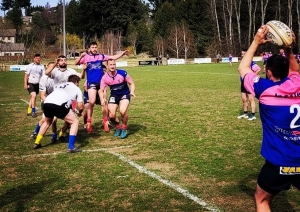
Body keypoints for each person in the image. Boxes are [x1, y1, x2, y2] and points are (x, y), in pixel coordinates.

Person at [239, 25, 300, 212]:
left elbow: (243, 67)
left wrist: (256, 42)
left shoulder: (264, 90)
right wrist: (289, 49)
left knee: (262, 200)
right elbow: (295, 72)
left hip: (279, 161)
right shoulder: (297, 84)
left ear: (269, 73)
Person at [75, 41, 128, 133]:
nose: (94, 49)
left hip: (101, 83)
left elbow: (112, 57)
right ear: (89, 48)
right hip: (91, 83)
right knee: (91, 101)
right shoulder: (86, 57)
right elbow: (76, 63)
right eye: (92, 47)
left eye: (96, 47)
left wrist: (122, 53)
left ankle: (105, 121)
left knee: (104, 102)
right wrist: (81, 56)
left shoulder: (101, 56)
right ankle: (89, 121)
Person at [33, 75, 84, 153]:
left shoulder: (60, 86)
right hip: (59, 105)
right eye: (78, 82)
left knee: (47, 122)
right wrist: (80, 112)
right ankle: (71, 146)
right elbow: (80, 106)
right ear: (76, 82)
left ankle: (37, 142)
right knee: (74, 122)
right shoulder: (76, 88)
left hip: (47, 103)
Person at [99, 59, 136, 139]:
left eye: (114, 64)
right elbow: (101, 90)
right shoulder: (105, 78)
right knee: (111, 115)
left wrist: (132, 91)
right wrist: (102, 99)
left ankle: (124, 127)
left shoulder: (122, 73)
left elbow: (131, 83)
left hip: (124, 94)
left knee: (123, 111)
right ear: (107, 66)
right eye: (111, 65)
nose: (112, 66)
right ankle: (118, 127)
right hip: (114, 96)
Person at [237, 49, 261, 121]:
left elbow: (258, 69)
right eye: (242, 54)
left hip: (249, 83)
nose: (242, 55)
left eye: (244, 54)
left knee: (251, 99)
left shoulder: (251, 63)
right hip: (243, 83)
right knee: (244, 99)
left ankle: (253, 115)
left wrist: (252, 77)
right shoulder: (243, 63)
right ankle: (245, 113)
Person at [24, 53, 45, 117]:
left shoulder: (42, 66)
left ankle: (29, 110)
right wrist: (25, 84)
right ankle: (33, 112)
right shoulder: (30, 66)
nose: (38, 59)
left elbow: (43, 76)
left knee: (33, 97)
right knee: (34, 96)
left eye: (39, 58)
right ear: (34, 59)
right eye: (37, 58)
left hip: (38, 84)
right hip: (30, 83)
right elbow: (26, 75)